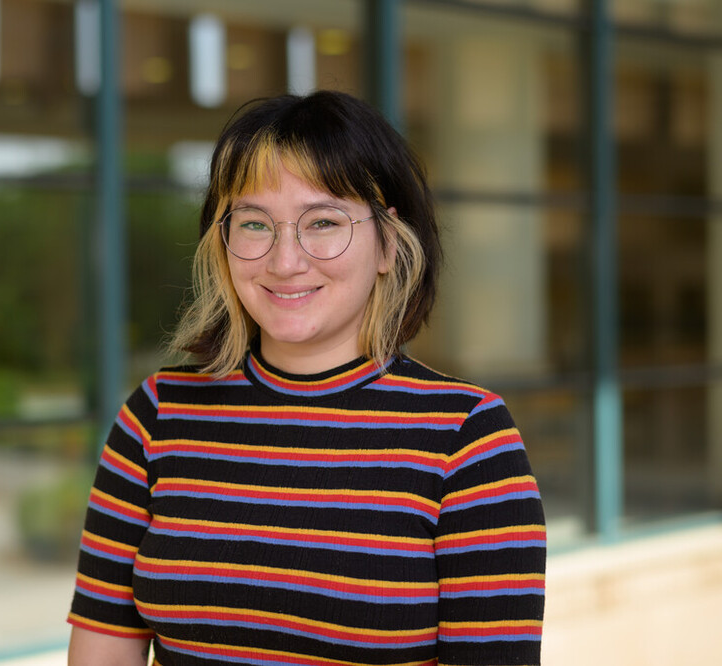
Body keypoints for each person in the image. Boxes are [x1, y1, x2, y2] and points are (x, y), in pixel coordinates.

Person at [67, 90, 546, 666]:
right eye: (254, 223)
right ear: (223, 242)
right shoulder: (157, 416)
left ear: (388, 243)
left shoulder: (467, 439)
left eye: (322, 221)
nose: (285, 261)